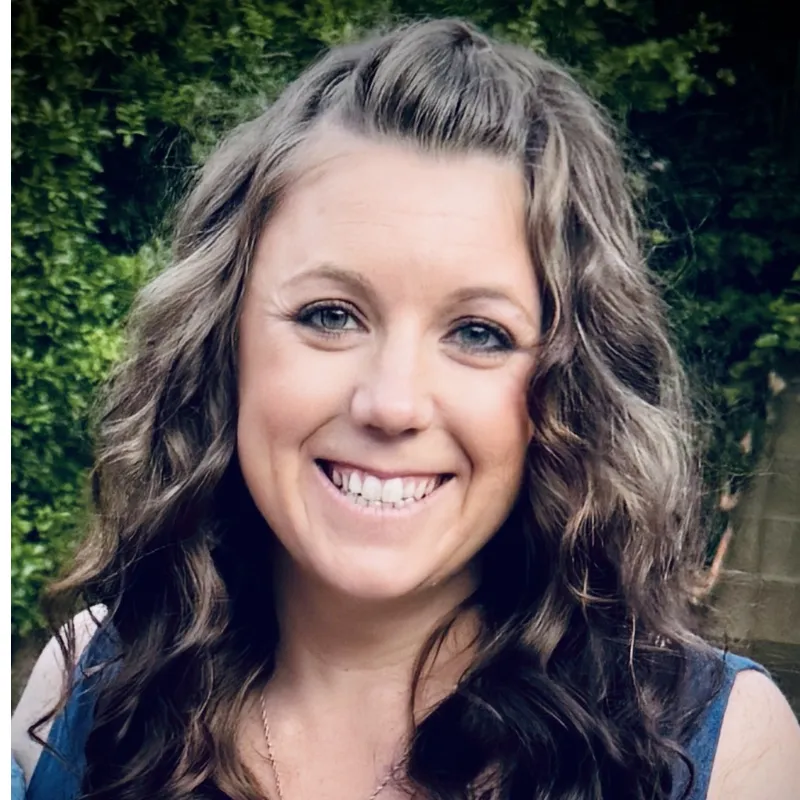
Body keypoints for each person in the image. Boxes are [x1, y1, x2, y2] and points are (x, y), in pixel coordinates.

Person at [10, 17, 800, 800]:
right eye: (330, 315)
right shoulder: (89, 686)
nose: (391, 403)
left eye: (479, 333)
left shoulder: (724, 751)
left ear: (572, 385)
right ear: (223, 342)